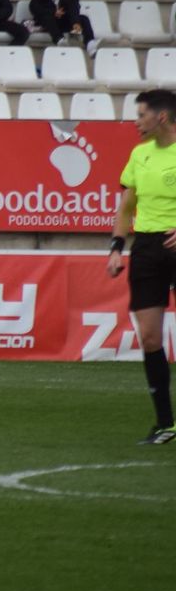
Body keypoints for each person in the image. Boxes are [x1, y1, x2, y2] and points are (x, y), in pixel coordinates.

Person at [108, 89, 176, 445]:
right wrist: (117, 247)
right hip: (148, 248)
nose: (136, 122)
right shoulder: (139, 154)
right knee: (150, 337)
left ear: (161, 118)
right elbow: (125, 207)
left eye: (141, 115)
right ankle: (166, 424)